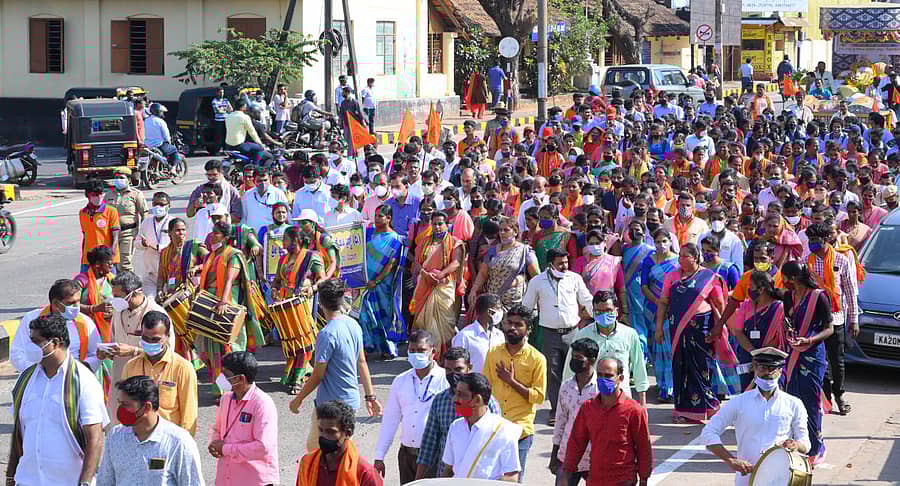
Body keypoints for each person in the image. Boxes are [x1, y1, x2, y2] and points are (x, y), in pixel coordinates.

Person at [8, 314, 108, 486]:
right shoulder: (26, 379)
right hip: (28, 479)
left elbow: (95, 438)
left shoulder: (83, 381)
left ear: (55, 342)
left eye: (36, 341)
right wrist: (11, 476)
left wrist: (85, 482)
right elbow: (19, 431)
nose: (30, 347)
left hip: (67, 481)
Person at [289, 278, 383, 451]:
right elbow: (361, 362)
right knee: (342, 451)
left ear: (321, 303)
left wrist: (298, 399)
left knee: (316, 452)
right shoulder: (353, 324)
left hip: (330, 407)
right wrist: (371, 397)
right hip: (351, 403)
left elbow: (318, 375)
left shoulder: (327, 334)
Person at [699, 347, 811, 486]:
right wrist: (731, 460)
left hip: (782, 479)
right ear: (755, 369)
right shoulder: (739, 402)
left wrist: (796, 445)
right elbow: (708, 432)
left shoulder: (794, 404)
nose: (768, 373)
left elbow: (806, 442)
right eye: (762, 368)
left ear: (780, 371)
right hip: (746, 479)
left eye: (773, 368)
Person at [655, 243, 735, 423]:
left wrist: (720, 328)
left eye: (685, 256)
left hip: (702, 330)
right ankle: (683, 410)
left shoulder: (709, 277)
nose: (680, 259)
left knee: (702, 367)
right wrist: (659, 327)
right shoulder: (672, 276)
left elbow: (720, 305)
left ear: (695, 257)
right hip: (677, 330)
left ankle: (709, 406)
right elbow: (663, 303)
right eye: (680, 256)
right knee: (680, 366)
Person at [557, 357, 652, 486]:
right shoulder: (588, 408)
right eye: (600, 375)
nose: (603, 379)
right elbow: (576, 442)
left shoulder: (634, 410)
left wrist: (644, 479)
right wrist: (566, 473)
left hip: (624, 480)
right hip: (595, 480)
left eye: (608, 376)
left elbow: (643, 447)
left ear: (620, 378)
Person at [521, 248, 592, 422]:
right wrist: (522, 327)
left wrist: (598, 316)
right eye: (560, 263)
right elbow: (527, 307)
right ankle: (556, 410)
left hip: (572, 333)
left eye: (567, 262)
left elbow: (587, 300)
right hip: (549, 333)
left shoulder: (574, 278)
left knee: (575, 370)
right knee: (553, 374)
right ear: (550, 263)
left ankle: (575, 408)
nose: (565, 266)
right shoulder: (537, 281)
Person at [195, 222, 264, 396]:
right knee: (211, 350)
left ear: (226, 237)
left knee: (229, 349)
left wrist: (224, 301)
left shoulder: (234, 255)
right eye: (212, 232)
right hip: (211, 303)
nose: (212, 235)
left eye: (216, 233)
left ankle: (237, 389)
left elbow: (228, 279)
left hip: (227, 306)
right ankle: (220, 390)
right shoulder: (212, 255)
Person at [97, 376, 204, 486]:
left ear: (147, 407)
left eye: (126, 405)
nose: (119, 409)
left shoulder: (179, 442)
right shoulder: (115, 436)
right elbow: (105, 481)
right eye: (119, 403)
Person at [414, 347, 503, 479]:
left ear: (469, 368)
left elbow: (497, 443)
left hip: (479, 477)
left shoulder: (487, 402)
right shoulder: (440, 401)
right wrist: (418, 480)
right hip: (446, 476)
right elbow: (429, 445)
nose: (452, 374)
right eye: (448, 370)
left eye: (458, 369)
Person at [374, 330, 449, 483]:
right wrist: (379, 456)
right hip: (406, 455)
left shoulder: (445, 380)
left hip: (434, 456)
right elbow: (390, 420)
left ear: (433, 352)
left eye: (421, 350)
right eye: (412, 351)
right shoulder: (401, 381)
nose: (416, 355)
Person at [482, 304, 547, 482]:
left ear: (528, 330)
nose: (512, 328)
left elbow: (539, 396)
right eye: (509, 323)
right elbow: (484, 389)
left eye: (518, 324)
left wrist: (511, 381)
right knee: (490, 479)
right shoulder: (493, 353)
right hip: (494, 428)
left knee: (514, 481)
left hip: (520, 431)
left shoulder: (537, 359)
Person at [782, 261, 835, 465]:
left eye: (786, 278)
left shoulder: (819, 296)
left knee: (810, 400)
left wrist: (810, 340)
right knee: (792, 398)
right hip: (793, 352)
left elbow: (829, 328)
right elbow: (788, 320)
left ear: (794, 278)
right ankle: (796, 444)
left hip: (812, 354)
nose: (784, 282)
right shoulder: (789, 296)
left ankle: (816, 445)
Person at [805, 223, 858, 414]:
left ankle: (840, 395)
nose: (812, 243)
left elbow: (850, 291)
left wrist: (854, 319)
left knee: (838, 360)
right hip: (815, 319)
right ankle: (825, 398)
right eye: (809, 240)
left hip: (836, 318)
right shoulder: (807, 262)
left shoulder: (841, 261)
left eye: (815, 239)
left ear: (826, 239)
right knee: (821, 360)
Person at [208, 352, 279, 485]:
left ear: (240, 378)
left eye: (226, 374)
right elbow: (217, 428)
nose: (221, 377)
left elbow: (263, 447)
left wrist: (225, 449)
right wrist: (214, 443)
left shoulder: (262, 404)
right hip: (227, 478)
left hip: (254, 480)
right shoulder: (226, 399)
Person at [121, 311, 198, 434]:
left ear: (167, 336)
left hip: (170, 439)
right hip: (138, 437)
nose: (150, 343)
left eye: (155, 339)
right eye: (145, 338)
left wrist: (184, 443)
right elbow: (125, 407)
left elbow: (189, 413)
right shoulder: (130, 366)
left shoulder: (183, 367)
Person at [107, 271, 171, 418]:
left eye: (118, 296)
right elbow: (114, 337)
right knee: (119, 417)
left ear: (135, 293)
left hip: (147, 377)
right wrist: (108, 351)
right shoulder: (119, 311)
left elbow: (168, 351)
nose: (114, 300)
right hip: (121, 374)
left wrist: (134, 351)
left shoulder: (157, 314)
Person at [271, 226, 324, 391]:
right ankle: (296, 371)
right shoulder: (283, 259)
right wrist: (274, 289)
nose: (283, 243)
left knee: (303, 339)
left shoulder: (312, 257)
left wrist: (313, 288)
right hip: (285, 303)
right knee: (290, 340)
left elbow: (322, 279)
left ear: (297, 240)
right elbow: (277, 281)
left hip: (303, 303)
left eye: (286, 239)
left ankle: (298, 379)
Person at [441, 373, 522, 480]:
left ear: (477, 400)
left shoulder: (504, 430)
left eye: (461, 395)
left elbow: (511, 476)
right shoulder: (455, 427)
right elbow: (449, 469)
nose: (455, 399)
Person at [11, 278, 101, 373]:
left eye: (78, 301)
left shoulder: (85, 322)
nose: (77, 307)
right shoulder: (32, 319)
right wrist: (40, 373)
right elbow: (17, 353)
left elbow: (95, 353)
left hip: (74, 376)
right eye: (71, 303)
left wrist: (79, 369)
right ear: (55, 303)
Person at [410, 211, 466, 353]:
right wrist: (425, 274)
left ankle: (444, 354)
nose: (437, 227)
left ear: (447, 225)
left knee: (445, 322)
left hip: (444, 285)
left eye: (441, 224)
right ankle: (428, 352)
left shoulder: (454, 242)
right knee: (424, 320)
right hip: (425, 283)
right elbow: (417, 262)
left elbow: (456, 262)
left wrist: (439, 275)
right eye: (434, 224)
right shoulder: (424, 241)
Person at [360, 205, 407, 358]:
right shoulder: (367, 233)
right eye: (376, 215)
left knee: (384, 316)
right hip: (365, 282)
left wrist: (377, 280)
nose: (377, 218)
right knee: (365, 314)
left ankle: (387, 348)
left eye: (380, 216)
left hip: (383, 284)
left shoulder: (395, 239)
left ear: (389, 218)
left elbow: (391, 263)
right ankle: (368, 346)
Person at [550, 338, 598, 485]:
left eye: (579, 358)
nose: (574, 361)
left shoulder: (600, 389)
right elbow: (560, 421)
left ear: (592, 360)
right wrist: (554, 454)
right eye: (573, 357)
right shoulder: (566, 387)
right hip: (567, 455)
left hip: (594, 458)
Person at [729, 270, 787, 391]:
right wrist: (753, 352)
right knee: (748, 394)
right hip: (747, 355)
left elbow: (780, 337)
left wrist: (761, 356)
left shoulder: (779, 308)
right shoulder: (745, 306)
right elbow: (738, 332)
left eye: (751, 286)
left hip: (770, 358)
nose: (749, 289)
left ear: (761, 289)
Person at [470, 216, 540, 312]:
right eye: (500, 230)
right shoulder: (492, 251)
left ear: (515, 232)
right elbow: (482, 273)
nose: (502, 233)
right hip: (494, 303)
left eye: (506, 230)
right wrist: (474, 289)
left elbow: (536, 277)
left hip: (516, 303)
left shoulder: (525, 251)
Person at [74, 245, 117, 400]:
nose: (112, 266)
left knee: (109, 368)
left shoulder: (112, 280)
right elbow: (71, 305)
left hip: (108, 332)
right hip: (86, 332)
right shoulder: (82, 280)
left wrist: (113, 311)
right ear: (98, 265)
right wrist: (94, 308)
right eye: (109, 263)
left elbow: (121, 301)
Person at [641, 229, 679, 401]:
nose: (661, 245)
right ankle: (661, 382)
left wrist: (667, 305)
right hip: (652, 309)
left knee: (668, 347)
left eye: (664, 241)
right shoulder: (648, 261)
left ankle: (669, 387)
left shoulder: (678, 261)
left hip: (672, 310)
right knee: (655, 347)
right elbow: (644, 286)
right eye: (658, 242)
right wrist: (659, 303)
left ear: (670, 242)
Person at [623, 220, 657, 357]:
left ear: (643, 232)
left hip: (643, 290)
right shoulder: (624, 249)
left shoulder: (650, 251)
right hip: (627, 291)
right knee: (633, 321)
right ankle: (639, 354)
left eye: (637, 229)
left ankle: (646, 352)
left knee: (644, 320)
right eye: (631, 229)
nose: (634, 232)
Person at [453, 293, 506, 373]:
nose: (501, 312)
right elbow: (456, 366)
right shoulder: (465, 336)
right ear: (490, 312)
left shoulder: (499, 335)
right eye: (498, 308)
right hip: (472, 384)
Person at [135, 192, 173, 297]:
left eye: (161, 204)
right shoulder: (146, 222)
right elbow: (137, 243)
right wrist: (142, 244)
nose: (158, 207)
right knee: (150, 302)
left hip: (168, 273)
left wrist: (153, 246)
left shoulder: (173, 222)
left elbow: (173, 246)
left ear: (168, 206)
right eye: (155, 204)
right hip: (150, 273)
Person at [109, 168, 147, 272]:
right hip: (111, 234)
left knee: (125, 264)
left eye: (121, 178)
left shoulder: (135, 194)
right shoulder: (109, 195)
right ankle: (117, 286)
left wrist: (143, 232)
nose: (118, 180)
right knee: (113, 264)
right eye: (116, 178)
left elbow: (144, 214)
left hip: (128, 233)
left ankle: (130, 286)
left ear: (128, 180)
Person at [79, 179, 121, 273]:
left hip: (106, 258)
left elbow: (115, 233)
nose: (98, 197)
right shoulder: (82, 213)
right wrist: (83, 256)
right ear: (88, 196)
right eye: (94, 195)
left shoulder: (111, 211)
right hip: (88, 258)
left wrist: (112, 251)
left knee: (110, 285)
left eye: (100, 194)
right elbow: (85, 235)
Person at [257, 202, 293, 296]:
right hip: (269, 276)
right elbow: (259, 253)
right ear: (273, 214)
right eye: (278, 212)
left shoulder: (292, 229)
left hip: (288, 274)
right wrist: (260, 272)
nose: (281, 215)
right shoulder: (264, 230)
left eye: (283, 212)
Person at [242, 167, 288, 232]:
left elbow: (287, 217)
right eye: (259, 181)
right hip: (252, 236)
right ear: (254, 181)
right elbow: (244, 217)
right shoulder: (247, 195)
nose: (263, 183)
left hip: (272, 236)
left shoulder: (278, 194)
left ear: (270, 179)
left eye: (265, 180)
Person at [225, 99, 265, 164]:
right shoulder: (245, 117)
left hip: (228, 145)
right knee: (260, 149)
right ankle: (255, 166)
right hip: (239, 145)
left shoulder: (228, 116)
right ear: (243, 106)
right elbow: (252, 132)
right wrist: (260, 143)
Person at [212, 87, 234, 151]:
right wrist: (226, 109)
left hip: (226, 120)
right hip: (219, 121)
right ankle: (217, 150)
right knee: (219, 136)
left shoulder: (226, 100)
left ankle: (225, 149)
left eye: (223, 92)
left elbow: (231, 109)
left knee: (226, 135)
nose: (222, 94)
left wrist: (223, 109)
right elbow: (218, 111)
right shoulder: (214, 101)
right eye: (220, 92)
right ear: (217, 93)